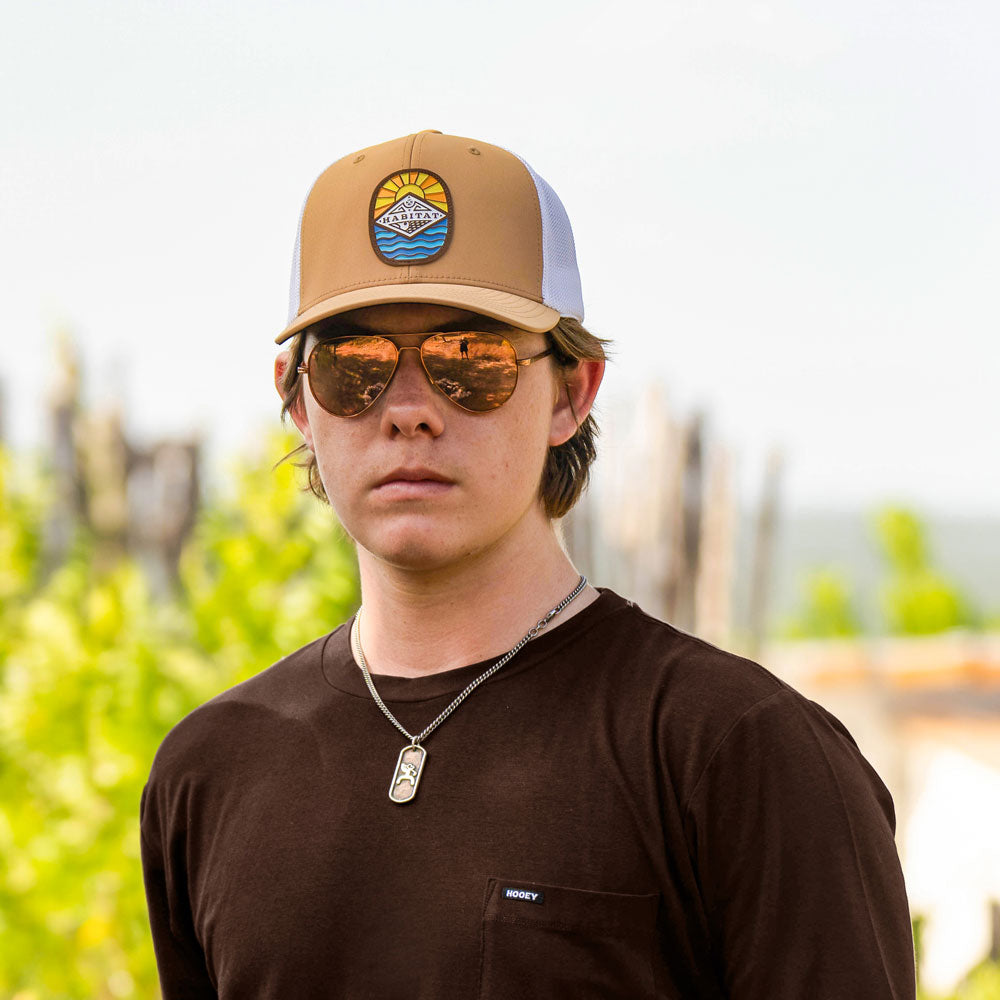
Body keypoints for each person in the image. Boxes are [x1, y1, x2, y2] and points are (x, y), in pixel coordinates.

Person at [140, 130, 917, 998]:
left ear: (571, 393)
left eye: (470, 361)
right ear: (295, 398)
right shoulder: (208, 773)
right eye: (353, 365)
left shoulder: (737, 754)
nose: (408, 411)